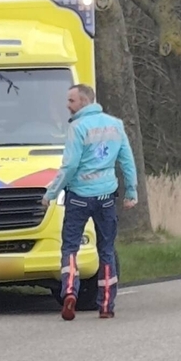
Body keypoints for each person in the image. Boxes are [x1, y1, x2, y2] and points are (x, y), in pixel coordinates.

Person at [42, 84, 138, 321]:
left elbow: (70, 165)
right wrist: (131, 192)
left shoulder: (78, 127)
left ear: (84, 101)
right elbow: (127, 160)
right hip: (106, 196)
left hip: (80, 197)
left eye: (71, 101)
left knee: (70, 247)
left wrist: (51, 194)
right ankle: (106, 304)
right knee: (106, 249)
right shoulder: (116, 125)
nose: (67, 105)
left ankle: (70, 292)